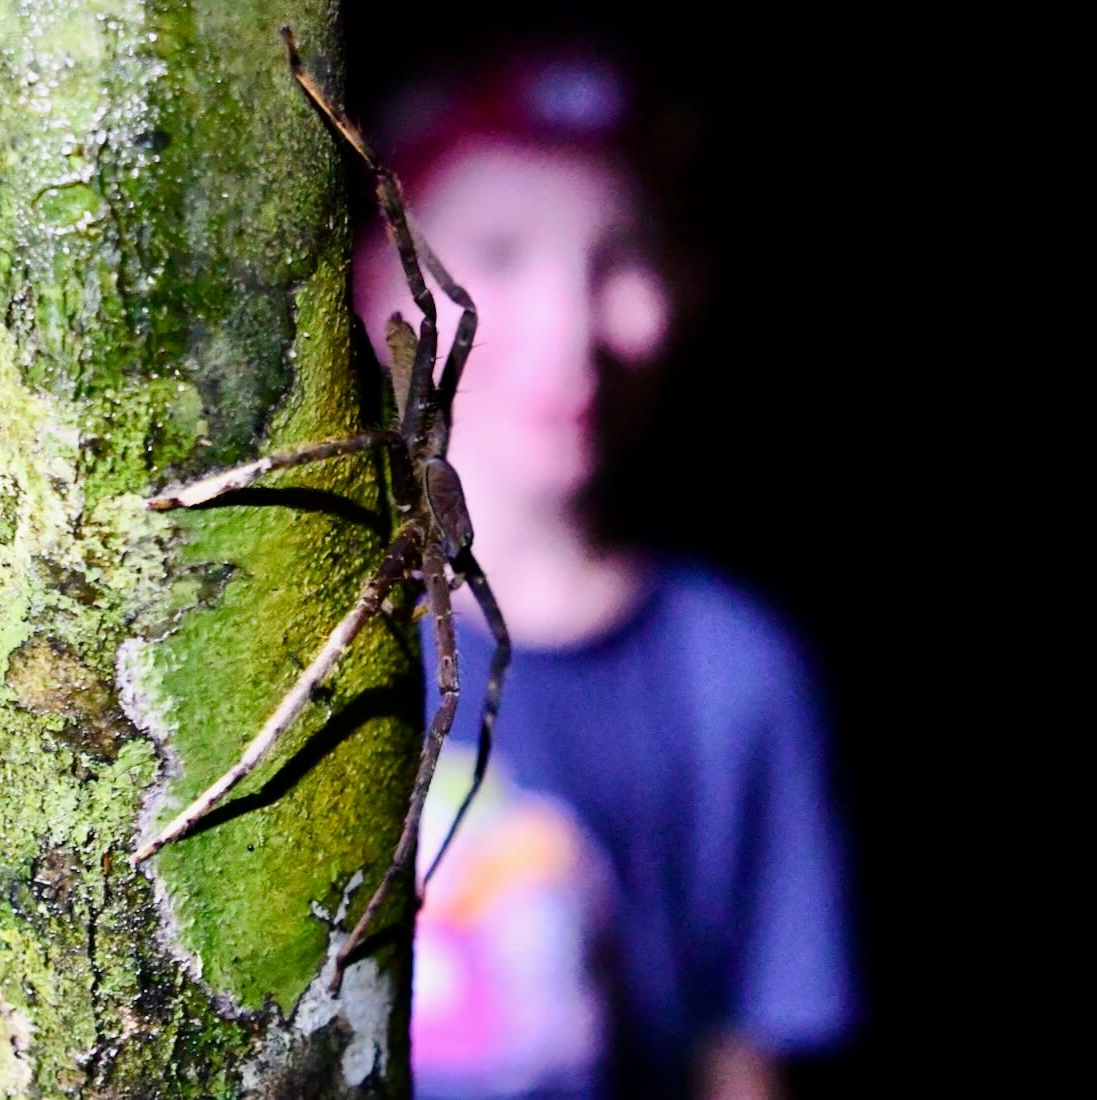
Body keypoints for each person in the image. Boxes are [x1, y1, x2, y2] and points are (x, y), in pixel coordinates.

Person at [353, 49, 856, 1100]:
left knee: (468, 674)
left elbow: (745, 1055)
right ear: (364, 274)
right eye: (496, 246)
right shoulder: (331, 602)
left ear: (684, 284)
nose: (567, 330)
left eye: (621, 253)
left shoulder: (731, 670)